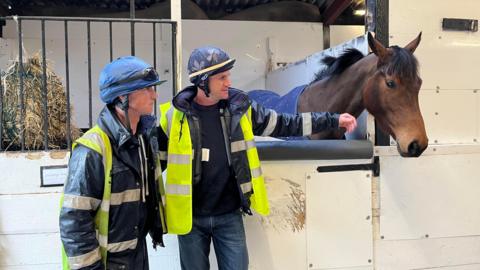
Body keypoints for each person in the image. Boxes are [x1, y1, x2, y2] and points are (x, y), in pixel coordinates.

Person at [157, 46, 357, 270]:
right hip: (190, 220)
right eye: (222, 77)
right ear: (203, 82)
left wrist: (332, 120)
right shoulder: (173, 117)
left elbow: (285, 123)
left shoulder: (240, 108)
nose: (228, 82)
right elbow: (153, 164)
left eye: (228, 76)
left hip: (229, 217)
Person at [59, 56, 167, 270]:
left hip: (137, 254)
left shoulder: (143, 140)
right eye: (146, 89)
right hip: (108, 261)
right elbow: (74, 220)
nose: (154, 95)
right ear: (122, 97)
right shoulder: (92, 149)